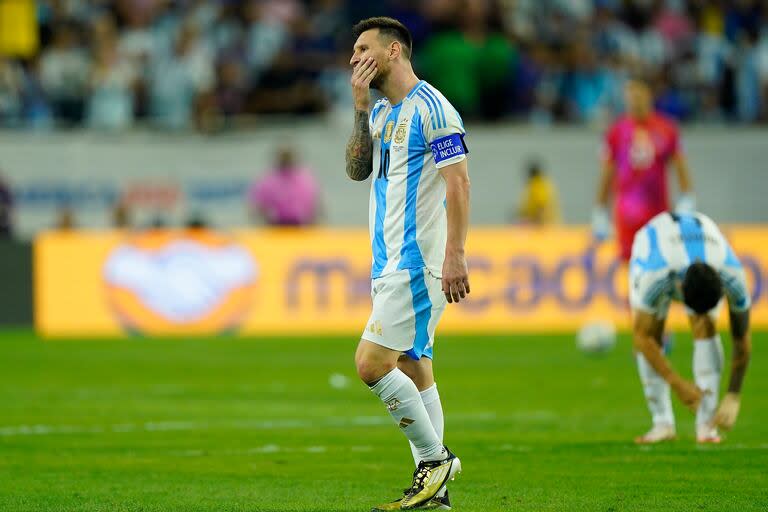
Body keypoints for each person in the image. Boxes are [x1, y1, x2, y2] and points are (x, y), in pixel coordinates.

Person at [345, 17, 470, 511]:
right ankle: (437, 493)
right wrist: (359, 109)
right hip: (388, 263)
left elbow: (458, 183)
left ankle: (433, 460)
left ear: (394, 51)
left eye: (362, 49)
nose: (354, 59)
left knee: (371, 364)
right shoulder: (381, 114)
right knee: (415, 367)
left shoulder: (435, 110)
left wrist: (455, 253)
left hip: (417, 264)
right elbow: (357, 170)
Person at [629, 211, 752, 444]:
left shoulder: (732, 275)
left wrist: (734, 395)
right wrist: (677, 383)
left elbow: (741, 340)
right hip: (653, 240)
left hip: (702, 232)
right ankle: (662, 423)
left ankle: (707, 426)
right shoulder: (655, 275)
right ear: (680, 290)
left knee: (706, 326)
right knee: (652, 334)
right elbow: (641, 337)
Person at [593, 77, 695, 263]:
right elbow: (607, 173)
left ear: (648, 95)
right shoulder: (616, 131)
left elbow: (680, 164)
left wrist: (687, 197)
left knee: (661, 266)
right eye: (630, 96)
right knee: (630, 267)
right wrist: (600, 210)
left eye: (638, 95)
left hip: (657, 213)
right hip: (626, 214)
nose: (634, 100)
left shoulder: (666, 128)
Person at [248, 146, 320, 226]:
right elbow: (257, 207)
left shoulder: (305, 178)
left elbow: (315, 206)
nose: (287, 163)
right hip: (277, 224)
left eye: (288, 159)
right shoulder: (268, 180)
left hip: (300, 225)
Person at [516, 160, 560, 225]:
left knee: (518, 225)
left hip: (542, 224)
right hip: (539, 221)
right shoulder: (539, 184)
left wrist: (536, 222)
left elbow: (541, 206)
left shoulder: (538, 185)